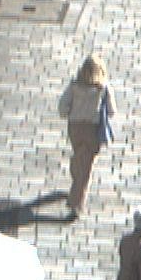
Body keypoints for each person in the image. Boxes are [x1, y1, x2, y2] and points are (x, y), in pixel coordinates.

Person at [56, 56, 113, 218]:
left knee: (78, 156)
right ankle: (77, 203)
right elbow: (111, 110)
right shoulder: (104, 88)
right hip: (92, 130)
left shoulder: (74, 85)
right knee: (86, 168)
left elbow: (62, 107)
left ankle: (75, 174)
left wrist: (70, 112)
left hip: (75, 127)